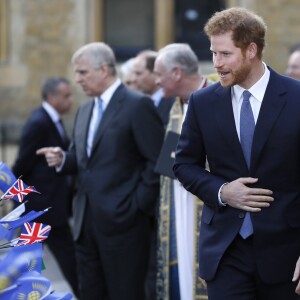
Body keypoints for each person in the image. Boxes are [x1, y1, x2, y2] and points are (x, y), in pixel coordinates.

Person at [173, 7, 300, 300]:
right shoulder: (203, 103)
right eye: (213, 53)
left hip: (286, 255)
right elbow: (183, 165)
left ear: (251, 50)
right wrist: (222, 191)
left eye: (225, 54)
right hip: (225, 253)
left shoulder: (295, 98)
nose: (216, 63)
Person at [36, 42, 164, 300]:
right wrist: (63, 159)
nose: (77, 80)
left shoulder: (137, 105)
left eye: (82, 72)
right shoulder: (85, 110)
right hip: (85, 224)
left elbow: (156, 162)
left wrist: (137, 205)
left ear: (103, 69)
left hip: (125, 227)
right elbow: (85, 159)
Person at [154, 43, 212, 300]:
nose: (156, 81)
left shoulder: (219, 95)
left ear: (177, 73)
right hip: (178, 203)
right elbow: (168, 164)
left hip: (208, 202)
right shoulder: (173, 106)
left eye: (159, 74)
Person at [12, 77, 79, 298]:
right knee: (32, 262)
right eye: (66, 95)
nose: (71, 100)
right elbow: (21, 165)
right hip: (39, 208)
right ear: (52, 97)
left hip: (52, 207)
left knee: (64, 259)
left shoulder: (53, 120)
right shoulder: (39, 122)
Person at [133, 50, 175, 128]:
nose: (134, 79)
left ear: (154, 72)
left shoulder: (174, 102)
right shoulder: (137, 103)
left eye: (138, 73)